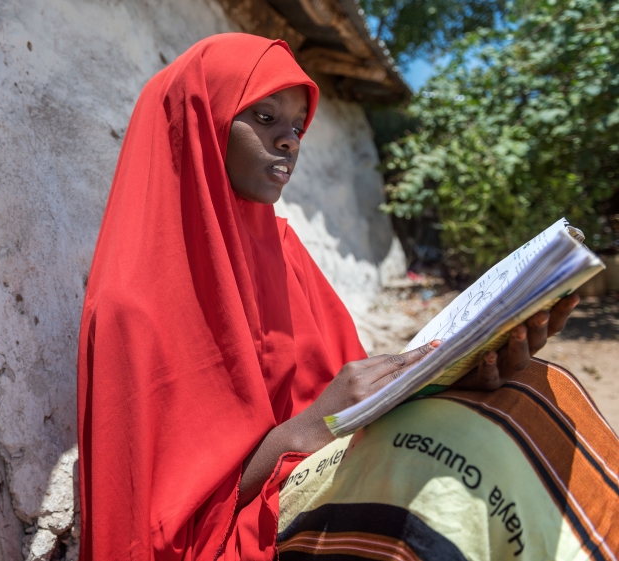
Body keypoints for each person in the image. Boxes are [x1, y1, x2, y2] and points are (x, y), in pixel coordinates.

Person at [77, 33, 618, 560]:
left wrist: (465, 370)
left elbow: (357, 393)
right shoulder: (134, 307)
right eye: (265, 118)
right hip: (246, 527)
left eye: (297, 127)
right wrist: (313, 425)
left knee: (531, 390)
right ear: (200, 123)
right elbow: (159, 531)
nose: (288, 140)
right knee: (448, 479)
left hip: (327, 458)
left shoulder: (282, 252)